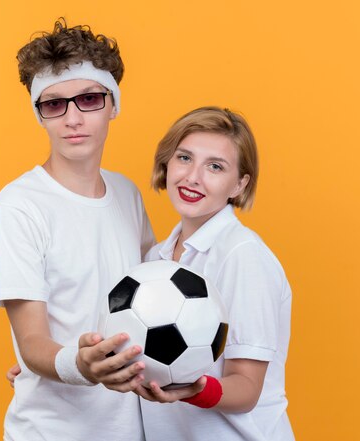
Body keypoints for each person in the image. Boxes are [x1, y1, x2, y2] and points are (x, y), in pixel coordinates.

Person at [0, 18, 155, 440]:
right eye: (54, 104)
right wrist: (73, 364)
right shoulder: (18, 207)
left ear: (113, 104)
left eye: (89, 99)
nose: (73, 117)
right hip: (50, 431)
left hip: (129, 428)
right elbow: (33, 342)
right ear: (39, 114)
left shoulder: (127, 193)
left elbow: (157, 291)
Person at [135, 106, 295, 440]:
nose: (193, 177)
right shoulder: (155, 260)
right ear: (166, 162)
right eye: (184, 158)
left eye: (215, 166)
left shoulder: (242, 256)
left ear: (239, 184)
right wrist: (67, 370)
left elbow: (247, 388)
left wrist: (191, 389)